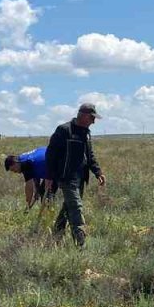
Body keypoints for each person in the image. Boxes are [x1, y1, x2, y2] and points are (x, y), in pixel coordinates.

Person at [45, 102, 106, 247]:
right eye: (92, 118)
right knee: (76, 207)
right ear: (84, 116)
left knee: (68, 207)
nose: (94, 121)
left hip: (81, 178)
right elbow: (51, 154)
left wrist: (98, 172)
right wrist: (49, 176)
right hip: (67, 177)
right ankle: (81, 244)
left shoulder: (86, 133)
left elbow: (89, 155)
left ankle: (56, 235)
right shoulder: (65, 130)